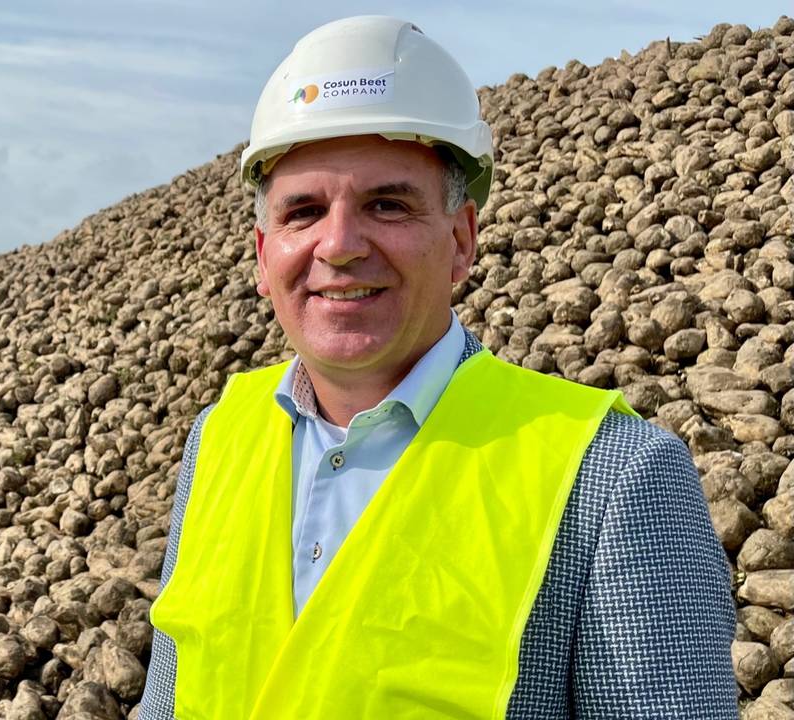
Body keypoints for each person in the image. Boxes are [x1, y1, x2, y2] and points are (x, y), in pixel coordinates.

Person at [139, 15, 736, 719]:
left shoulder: (613, 479)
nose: (339, 244)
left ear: (461, 239)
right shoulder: (217, 440)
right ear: (264, 256)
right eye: (303, 212)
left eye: (387, 204)